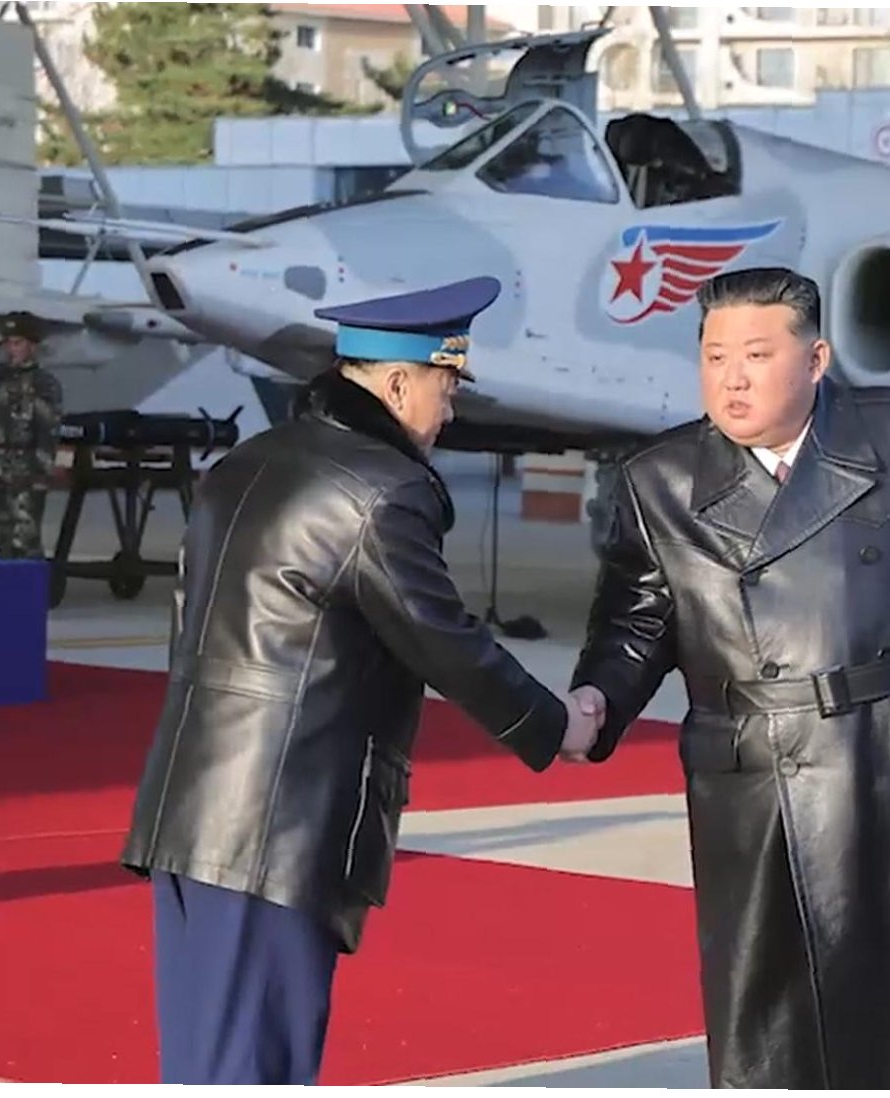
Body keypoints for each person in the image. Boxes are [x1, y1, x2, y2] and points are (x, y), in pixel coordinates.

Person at [568, 266, 890, 1090]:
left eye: (757, 355)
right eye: (715, 357)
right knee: (778, 1013)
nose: (733, 379)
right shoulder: (661, 479)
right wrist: (596, 700)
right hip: (757, 771)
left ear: (816, 360)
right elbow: (636, 624)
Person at [119, 276, 599, 1085]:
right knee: (257, 1064)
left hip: (191, 807)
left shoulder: (246, 463)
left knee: (206, 1061)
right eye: (447, 387)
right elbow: (443, 640)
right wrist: (557, 728)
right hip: (277, 822)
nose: (450, 411)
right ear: (401, 384)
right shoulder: (381, 490)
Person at [0, 311, 62, 558]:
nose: (12, 349)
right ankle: (5, 580)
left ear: (32, 346)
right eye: (9, 343)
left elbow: (48, 431)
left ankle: (31, 581)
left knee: (25, 537)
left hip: (27, 466)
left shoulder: (44, 383)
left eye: (18, 343)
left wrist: (42, 474)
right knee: (2, 534)